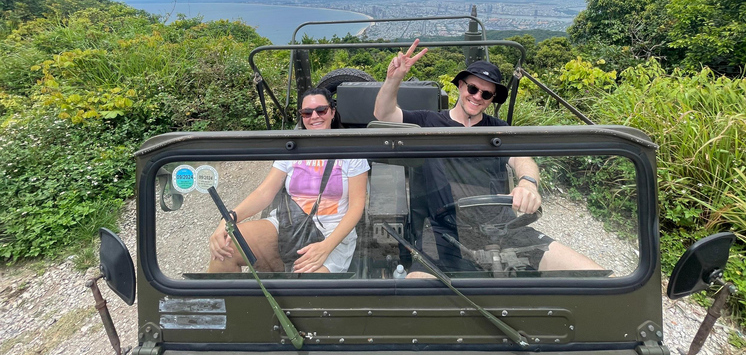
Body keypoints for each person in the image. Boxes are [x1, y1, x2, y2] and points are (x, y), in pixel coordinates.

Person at [373, 39, 602, 275]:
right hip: (445, 230)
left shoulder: (498, 130)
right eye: (472, 89)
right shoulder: (429, 122)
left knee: (595, 276)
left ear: (492, 99)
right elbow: (384, 114)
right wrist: (394, 78)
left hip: (503, 228)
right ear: (461, 86)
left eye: (486, 94)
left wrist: (528, 184)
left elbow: (522, 158)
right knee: (417, 292)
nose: (477, 97)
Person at [208, 88, 369, 274]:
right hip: (287, 224)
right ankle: (227, 303)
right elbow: (264, 192)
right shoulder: (292, 150)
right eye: (307, 113)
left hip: (332, 232)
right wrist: (228, 220)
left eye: (321, 110)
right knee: (225, 249)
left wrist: (326, 247)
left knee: (308, 286)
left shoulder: (351, 152)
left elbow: (357, 205)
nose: (314, 116)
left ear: (332, 112)